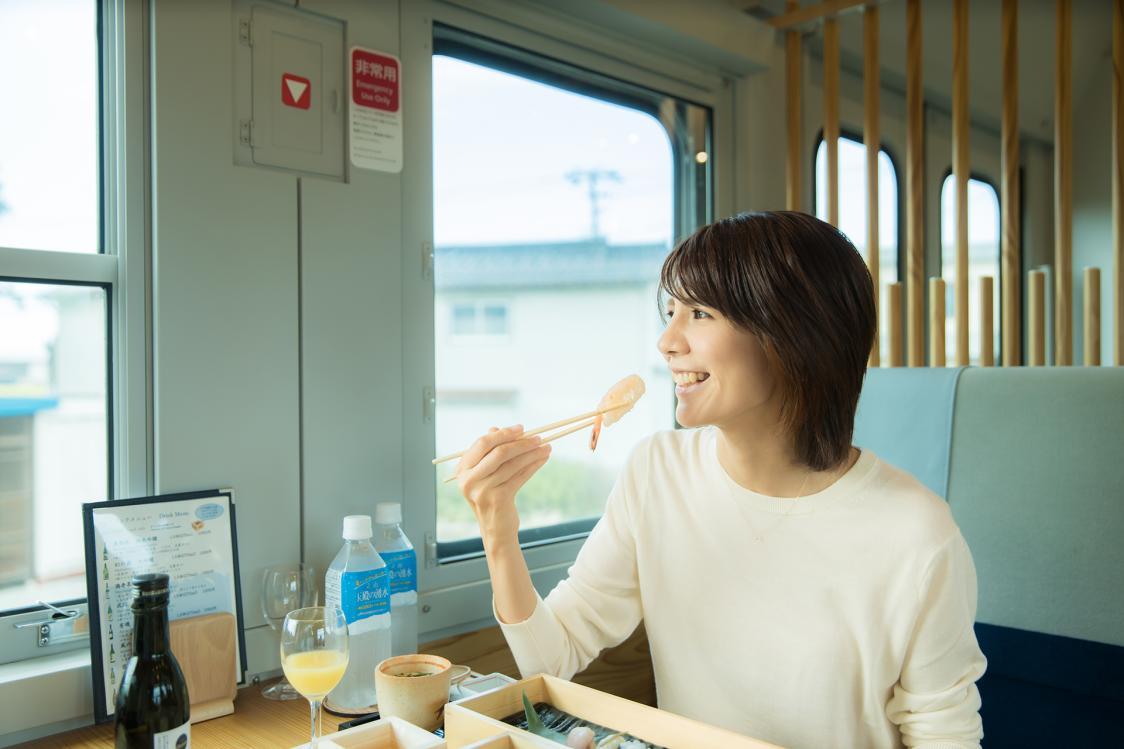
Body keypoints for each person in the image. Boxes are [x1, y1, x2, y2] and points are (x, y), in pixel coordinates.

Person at [453, 211, 986, 749]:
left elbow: (946, 736)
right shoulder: (657, 472)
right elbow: (553, 653)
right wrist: (498, 529)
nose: (666, 341)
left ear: (793, 334)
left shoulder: (916, 534)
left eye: (700, 313)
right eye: (670, 311)